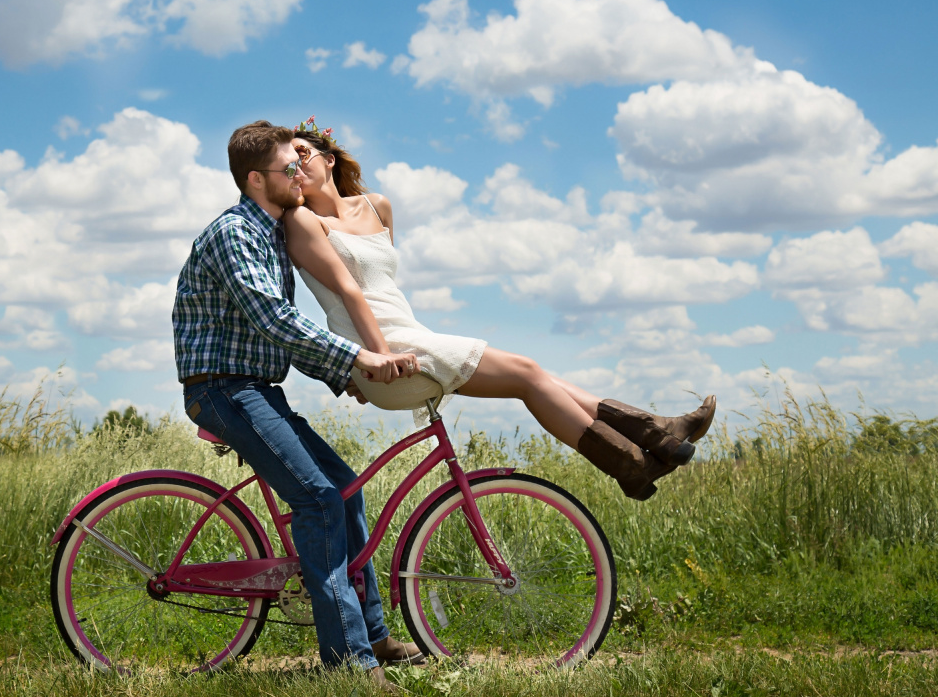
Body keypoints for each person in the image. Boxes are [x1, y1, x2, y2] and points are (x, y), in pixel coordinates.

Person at [283, 117, 717, 501]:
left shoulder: (377, 207)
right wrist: (373, 358)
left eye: (302, 154)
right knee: (528, 375)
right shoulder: (303, 222)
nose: (297, 166)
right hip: (382, 352)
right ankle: (637, 457)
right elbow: (350, 294)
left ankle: (653, 439)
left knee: (535, 376)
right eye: (287, 164)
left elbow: (384, 288)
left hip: (407, 336)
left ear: (329, 158)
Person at [172, 120, 422, 688]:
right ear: (258, 179)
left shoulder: (271, 234)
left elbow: (276, 337)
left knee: (346, 489)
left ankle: (375, 637)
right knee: (319, 500)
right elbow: (274, 320)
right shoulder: (236, 233)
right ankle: (349, 663)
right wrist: (360, 358)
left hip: (257, 388)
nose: (300, 176)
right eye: (291, 168)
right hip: (222, 389)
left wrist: (345, 376)